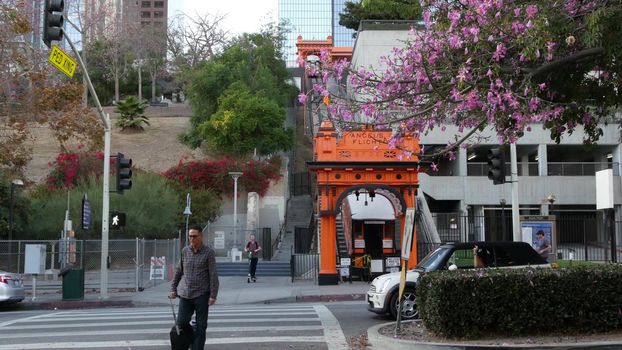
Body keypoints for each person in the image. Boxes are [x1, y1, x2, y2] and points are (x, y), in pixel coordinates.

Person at [169, 225, 219, 350]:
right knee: (181, 322)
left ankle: (197, 347)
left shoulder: (208, 252)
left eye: (194, 236)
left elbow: (213, 274)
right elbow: (178, 271)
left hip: (202, 294)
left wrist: (213, 295)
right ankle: (192, 342)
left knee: (201, 326)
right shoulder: (185, 251)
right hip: (185, 293)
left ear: (201, 236)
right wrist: (173, 288)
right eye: (190, 236)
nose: (192, 239)